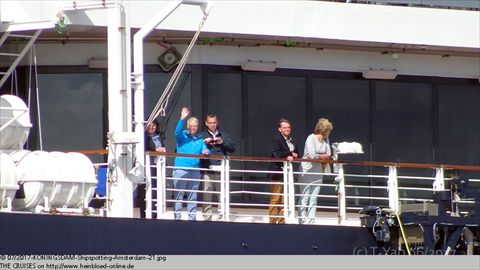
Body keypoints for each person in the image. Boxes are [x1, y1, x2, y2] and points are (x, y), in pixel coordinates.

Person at [173, 107, 210, 221]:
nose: (193, 128)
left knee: (192, 197)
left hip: (194, 171)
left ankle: (192, 220)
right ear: (188, 126)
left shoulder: (200, 139)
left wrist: (206, 151)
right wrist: (182, 119)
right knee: (179, 195)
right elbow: (176, 132)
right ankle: (177, 219)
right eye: (191, 126)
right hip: (181, 169)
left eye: (195, 126)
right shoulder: (182, 136)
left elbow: (206, 149)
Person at [200, 113, 236, 221]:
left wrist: (222, 142)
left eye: (214, 122)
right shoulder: (202, 135)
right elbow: (196, 148)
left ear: (217, 122)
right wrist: (204, 144)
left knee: (223, 196)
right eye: (210, 123)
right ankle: (207, 219)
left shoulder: (224, 135)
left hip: (221, 170)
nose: (212, 125)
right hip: (207, 169)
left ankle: (223, 218)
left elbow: (232, 148)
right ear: (206, 123)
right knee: (207, 196)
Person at [298, 118, 333, 224]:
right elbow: (312, 155)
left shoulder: (326, 140)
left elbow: (329, 155)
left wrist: (318, 157)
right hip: (306, 170)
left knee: (314, 198)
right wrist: (321, 156)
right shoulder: (311, 138)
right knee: (305, 196)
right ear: (324, 130)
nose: (329, 133)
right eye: (328, 131)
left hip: (318, 171)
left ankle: (311, 221)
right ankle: (302, 220)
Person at [268, 118, 298, 224]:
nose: (287, 129)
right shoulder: (276, 139)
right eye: (284, 127)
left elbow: (296, 153)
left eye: (288, 127)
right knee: (276, 198)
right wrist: (289, 154)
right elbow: (277, 154)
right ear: (279, 129)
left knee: (284, 198)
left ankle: (281, 221)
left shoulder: (292, 140)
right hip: (277, 172)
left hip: (287, 172)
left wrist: (294, 155)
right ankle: (272, 221)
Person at [137, 119, 166, 218]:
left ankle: (154, 213)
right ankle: (144, 214)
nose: (152, 127)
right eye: (150, 125)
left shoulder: (158, 137)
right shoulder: (143, 136)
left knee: (155, 191)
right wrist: (156, 150)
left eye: (154, 125)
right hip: (145, 167)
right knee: (144, 191)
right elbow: (145, 147)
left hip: (156, 167)